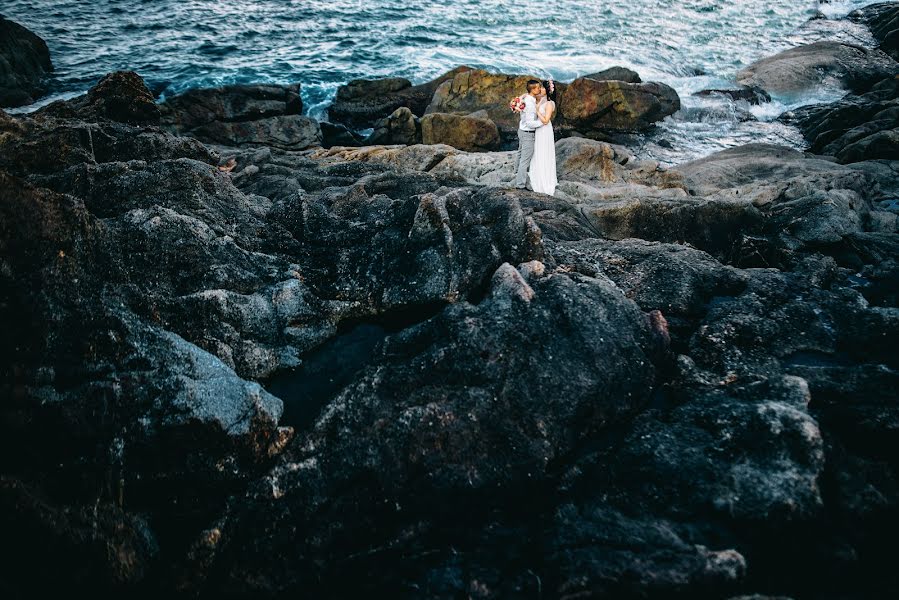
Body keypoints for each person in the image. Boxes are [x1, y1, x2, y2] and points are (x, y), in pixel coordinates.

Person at [511, 79, 544, 189]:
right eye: (538, 87)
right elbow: (530, 123)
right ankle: (520, 185)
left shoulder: (526, 98)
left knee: (520, 153)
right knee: (525, 160)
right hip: (527, 133)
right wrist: (542, 123)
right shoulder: (529, 103)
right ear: (533, 89)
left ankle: (515, 172)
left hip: (521, 130)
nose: (540, 89)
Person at [528, 79, 557, 196]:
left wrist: (536, 111)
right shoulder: (541, 100)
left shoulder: (550, 104)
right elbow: (528, 95)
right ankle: (537, 176)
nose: (540, 89)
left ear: (548, 91)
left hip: (545, 130)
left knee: (544, 152)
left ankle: (545, 180)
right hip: (539, 129)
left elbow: (545, 120)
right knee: (538, 152)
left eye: (543, 88)